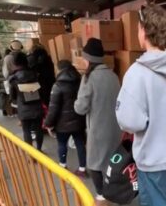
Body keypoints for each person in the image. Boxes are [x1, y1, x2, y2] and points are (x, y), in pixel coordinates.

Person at [115, 4, 166, 206]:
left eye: (137, 29)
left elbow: (130, 122)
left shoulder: (137, 73)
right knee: (162, 198)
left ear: (144, 31)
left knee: (154, 202)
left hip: (153, 156)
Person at [74, 38, 122, 206]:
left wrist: (76, 102)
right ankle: (114, 193)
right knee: (111, 163)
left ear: (88, 60)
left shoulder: (88, 78)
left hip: (98, 130)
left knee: (94, 164)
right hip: (115, 129)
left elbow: (80, 108)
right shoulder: (114, 76)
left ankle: (102, 196)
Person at [44, 60, 87, 176]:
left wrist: (48, 123)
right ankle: (82, 169)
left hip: (62, 124)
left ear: (59, 69)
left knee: (62, 144)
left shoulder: (57, 85)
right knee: (80, 144)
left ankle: (63, 166)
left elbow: (53, 108)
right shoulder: (80, 81)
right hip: (79, 121)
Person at [9, 51, 44, 151]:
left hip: (23, 107)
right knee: (38, 129)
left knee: (26, 130)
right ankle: (39, 150)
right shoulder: (35, 74)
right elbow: (41, 90)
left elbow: (12, 96)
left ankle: (31, 153)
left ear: (15, 63)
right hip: (37, 105)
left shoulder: (13, 78)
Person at [0, 49, 12, 116]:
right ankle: (10, 112)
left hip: (1, 84)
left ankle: (4, 111)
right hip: (9, 83)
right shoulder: (12, 61)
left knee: (3, 98)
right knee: (10, 97)